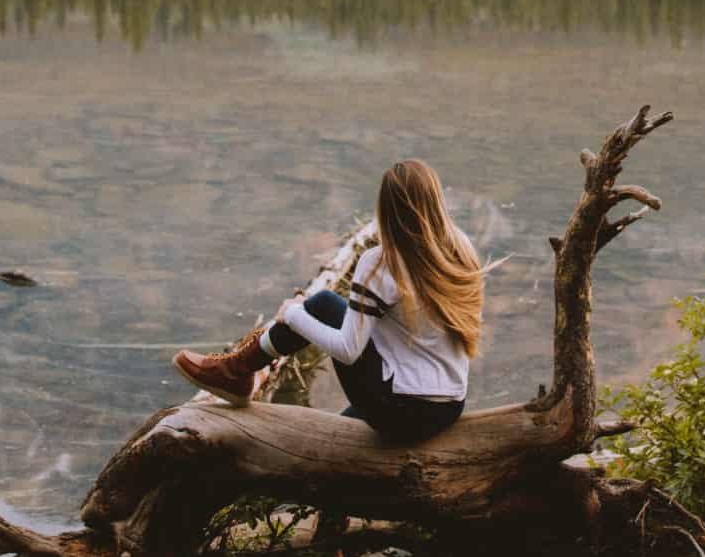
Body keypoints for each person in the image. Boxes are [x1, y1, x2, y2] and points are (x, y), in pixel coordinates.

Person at [173, 159, 482, 444]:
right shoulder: (460, 246)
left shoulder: (380, 263)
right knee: (334, 432)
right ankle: (239, 372)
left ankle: (235, 371)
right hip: (448, 407)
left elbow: (348, 350)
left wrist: (295, 315)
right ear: (435, 201)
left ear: (386, 208)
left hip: (400, 410)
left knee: (322, 305)